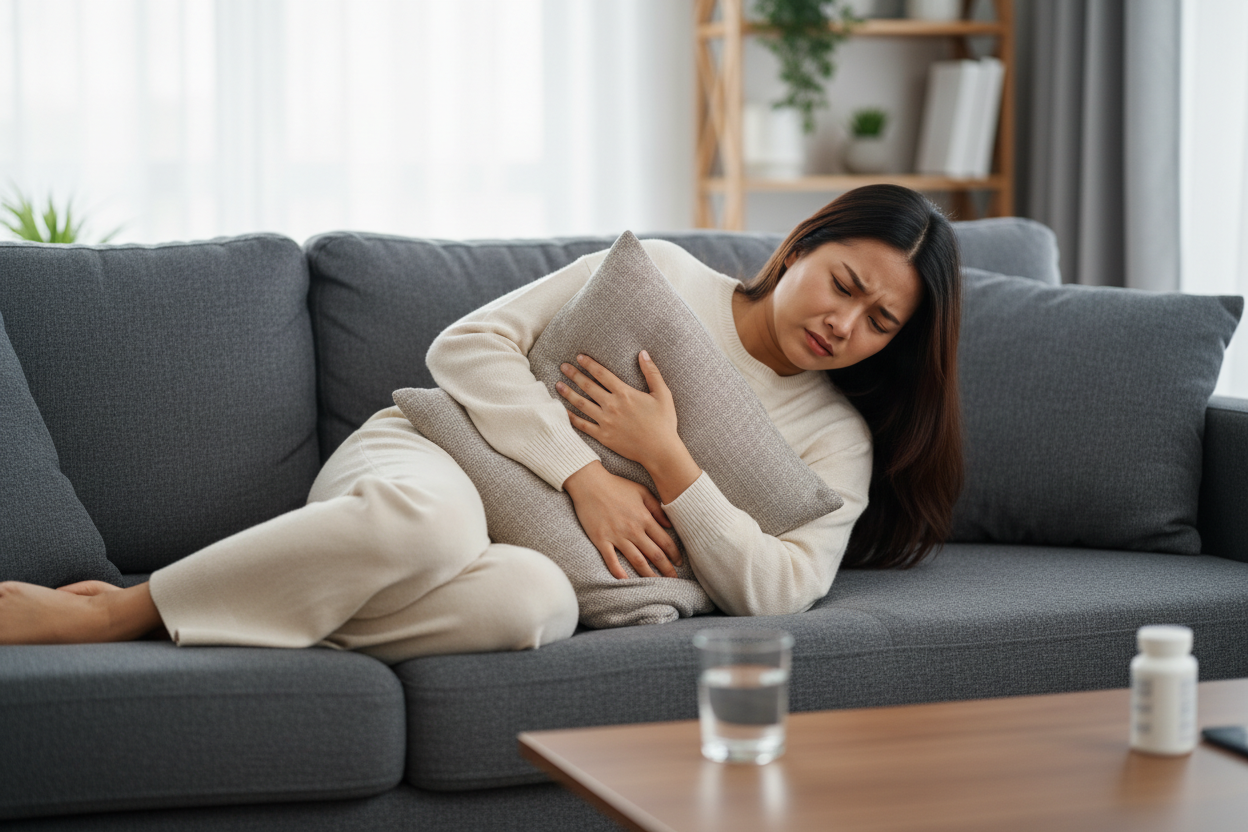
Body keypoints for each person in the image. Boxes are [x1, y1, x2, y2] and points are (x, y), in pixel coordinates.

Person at [0, 183, 963, 660]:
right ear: (801, 247)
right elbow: (465, 348)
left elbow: (785, 587)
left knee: (531, 608)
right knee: (429, 524)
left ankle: (300, 598)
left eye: (881, 322)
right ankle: (119, 612)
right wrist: (584, 475)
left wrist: (670, 461)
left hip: (527, 564)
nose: (845, 324)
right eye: (844, 285)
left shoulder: (838, 438)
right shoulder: (662, 278)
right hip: (430, 465)